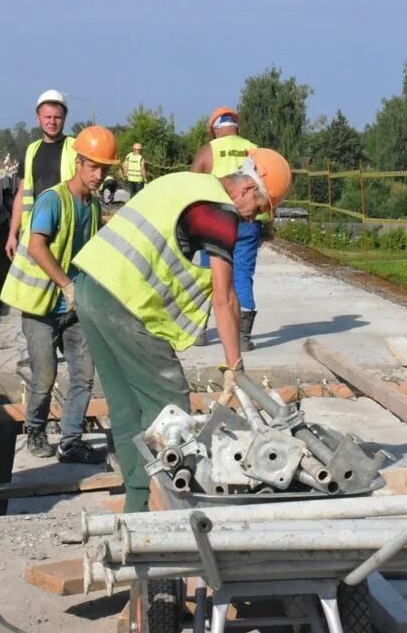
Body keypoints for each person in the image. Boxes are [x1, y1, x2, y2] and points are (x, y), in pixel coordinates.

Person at [71, 148, 292, 512]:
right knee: (168, 400)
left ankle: (137, 503)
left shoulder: (186, 182)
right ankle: (165, 510)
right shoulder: (220, 212)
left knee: (125, 405)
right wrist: (234, 368)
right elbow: (225, 297)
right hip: (125, 299)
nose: (256, 217)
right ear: (249, 190)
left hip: (91, 289)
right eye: (262, 208)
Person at [0, 125, 118, 463]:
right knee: (45, 375)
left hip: (75, 307)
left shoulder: (93, 207)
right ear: (78, 163)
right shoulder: (53, 200)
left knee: (83, 373)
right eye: (93, 166)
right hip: (42, 308)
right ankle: (35, 428)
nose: (98, 175)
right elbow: (37, 246)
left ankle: (71, 440)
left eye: (104, 169)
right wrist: (67, 284)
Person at [190, 107, 265, 350]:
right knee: (242, 273)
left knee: (207, 274)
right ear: (236, 126)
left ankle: (198, 332)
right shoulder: (255, 149)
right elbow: (267, 190)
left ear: (214, 128)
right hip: (249, 220)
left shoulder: (209, 150)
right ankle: (242, 337)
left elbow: (190, 185)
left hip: (214, 222)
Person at [5, 90, 77, 260]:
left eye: (57, 117)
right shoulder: (31, 151)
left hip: (68, 232)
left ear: (64, 118)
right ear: (38, 118)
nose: (52, 122)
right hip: (34, 233)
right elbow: (22, 194)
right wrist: (12, 234)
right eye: (47, 117)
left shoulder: (75, 148)